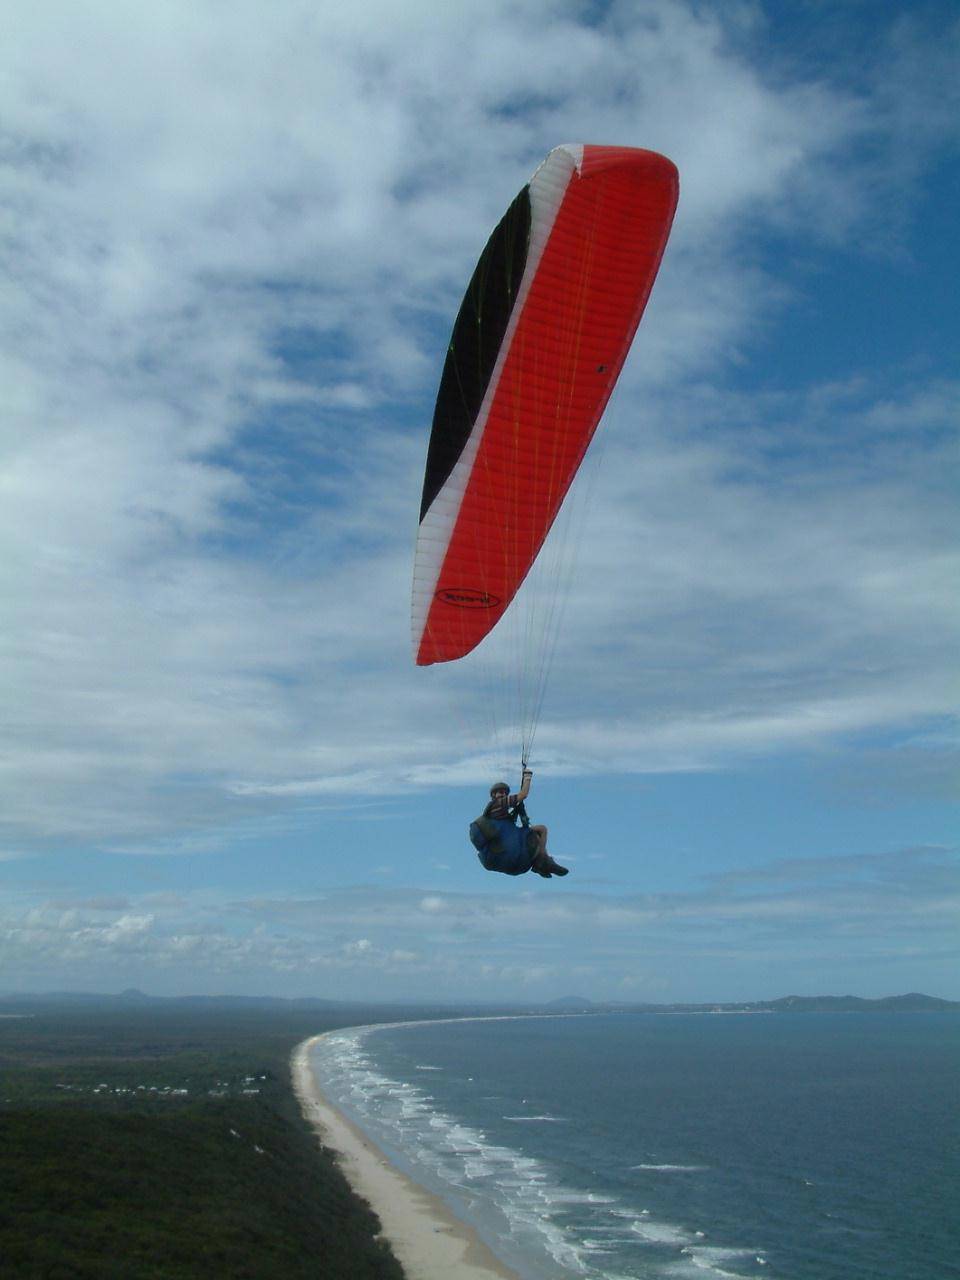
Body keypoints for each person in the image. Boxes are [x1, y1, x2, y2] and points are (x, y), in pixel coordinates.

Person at [469, 769, 569, 878]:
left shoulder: (499, 812)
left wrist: (520, 810)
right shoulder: (499, 804)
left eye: (504, 793)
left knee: (539, 831)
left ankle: (541, 862)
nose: (503, 794)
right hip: (507, 847)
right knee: (542, 830)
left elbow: (521, 820)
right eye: (500, 792)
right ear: (494, 795)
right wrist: (527, 777)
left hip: (501, 853)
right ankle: (542, 860)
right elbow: (523, 794)